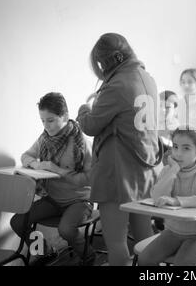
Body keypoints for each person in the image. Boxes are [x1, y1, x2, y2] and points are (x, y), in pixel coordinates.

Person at [77, 33, 161, 266]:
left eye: (102, 64)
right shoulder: (147, 77)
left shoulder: (117, 84)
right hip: (144, 170)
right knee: (146, 238)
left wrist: (84, 107)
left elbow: (91, 125)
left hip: (117, 173)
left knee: (115, 242)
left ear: (112, 59)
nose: (101, 70)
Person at [10, 92, 94, 265]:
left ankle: (89, 257)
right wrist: (36, 164)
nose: (46, 126)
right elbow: (25, 156)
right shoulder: (45, 139)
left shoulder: (81, 143)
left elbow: (88, 179)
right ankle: (46, 252)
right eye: (42, 121)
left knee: (65, 230)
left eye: (51, 120)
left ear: (65, 116)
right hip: (53, 200)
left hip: (79, 201)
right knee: (17, 222)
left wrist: (58, 170)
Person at [138, 128, 196, 266]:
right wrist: (173, 171)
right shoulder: (169, 169)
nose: (178, 153)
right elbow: (157, 196)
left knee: (182, 264)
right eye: (175, 147)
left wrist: (176, 201)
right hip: (172, 231)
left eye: (186, 148)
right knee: (144, 260)